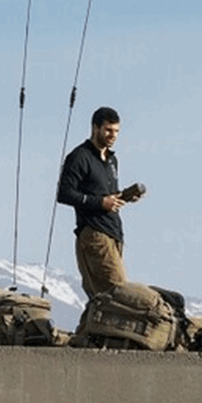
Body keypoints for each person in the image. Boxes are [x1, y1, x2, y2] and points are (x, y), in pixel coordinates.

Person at [56, 106, 137, 298]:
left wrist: (124, 196)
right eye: (108, 130)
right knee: (118, 295)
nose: (113, 135)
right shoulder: (79, 157)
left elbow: (105, 195)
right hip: (95, 233)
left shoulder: (111, 160)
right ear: (95, 128)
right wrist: (100, 203)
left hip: (113, 233)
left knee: (107, 298)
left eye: (116, 131)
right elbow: (64, 194)